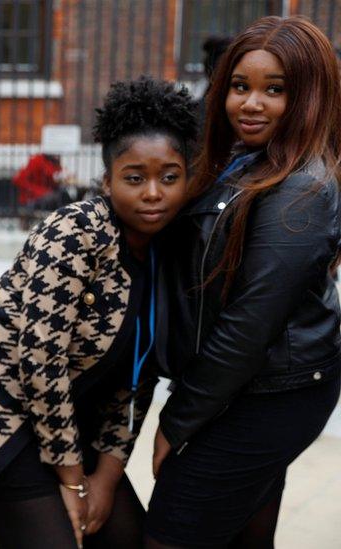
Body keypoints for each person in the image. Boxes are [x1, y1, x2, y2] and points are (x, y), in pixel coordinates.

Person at [0, 77, 199, 549]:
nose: (153, 192)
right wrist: (75, 481)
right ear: (107, 181)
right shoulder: (77, 230)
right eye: (135, 178)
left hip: (69, 428)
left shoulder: (168, 257)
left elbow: (135, 383)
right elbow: (40, 359)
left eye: (169, 177)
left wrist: (107, 478)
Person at [147, 16, 341, 548]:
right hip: (245, 387)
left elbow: (249, 324)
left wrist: (177, 420)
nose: (250, 104)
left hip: (273, 393)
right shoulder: (241, 164)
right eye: (240, 86)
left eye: (274, 90)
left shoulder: (302, 191)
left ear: (307, 97)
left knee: (172, 530)